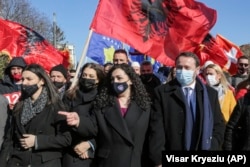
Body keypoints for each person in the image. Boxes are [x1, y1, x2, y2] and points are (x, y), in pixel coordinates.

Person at [59, 63, 151, 167]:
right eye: (112, 79)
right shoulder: (103, 104)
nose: (115, 82)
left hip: (134, 161)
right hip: (109, 161)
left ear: (130, 80)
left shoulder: (144, 106)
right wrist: (79, 121)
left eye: (119, 78)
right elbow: (93, 127)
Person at [148, 52, 225, 166]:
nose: (182, 71)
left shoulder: (210, 94)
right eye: (179, 67)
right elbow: (156, 128)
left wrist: (212, 145)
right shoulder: (162, 92)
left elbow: (218, 124)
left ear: (197, 70)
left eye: (187, 67)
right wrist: (159, 159)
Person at [0, 64, 71, 167]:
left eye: (29, 79)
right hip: (18, 161)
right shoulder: (19, 105)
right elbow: (9, 138)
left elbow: (66, 139)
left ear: (41, 81)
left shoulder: (55, 106)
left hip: (44, 162)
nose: (24, 83)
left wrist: (37, 141)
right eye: (23, 79)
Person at [62, 63, 105, 167]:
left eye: (91, 76)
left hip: (92, 155)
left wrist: (89, 144)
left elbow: (103, 129)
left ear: (98, 79)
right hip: (71, 150)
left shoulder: (102, 98)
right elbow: (62, 122)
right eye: (84, 75)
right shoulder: (70, 95)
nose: (86, 78)